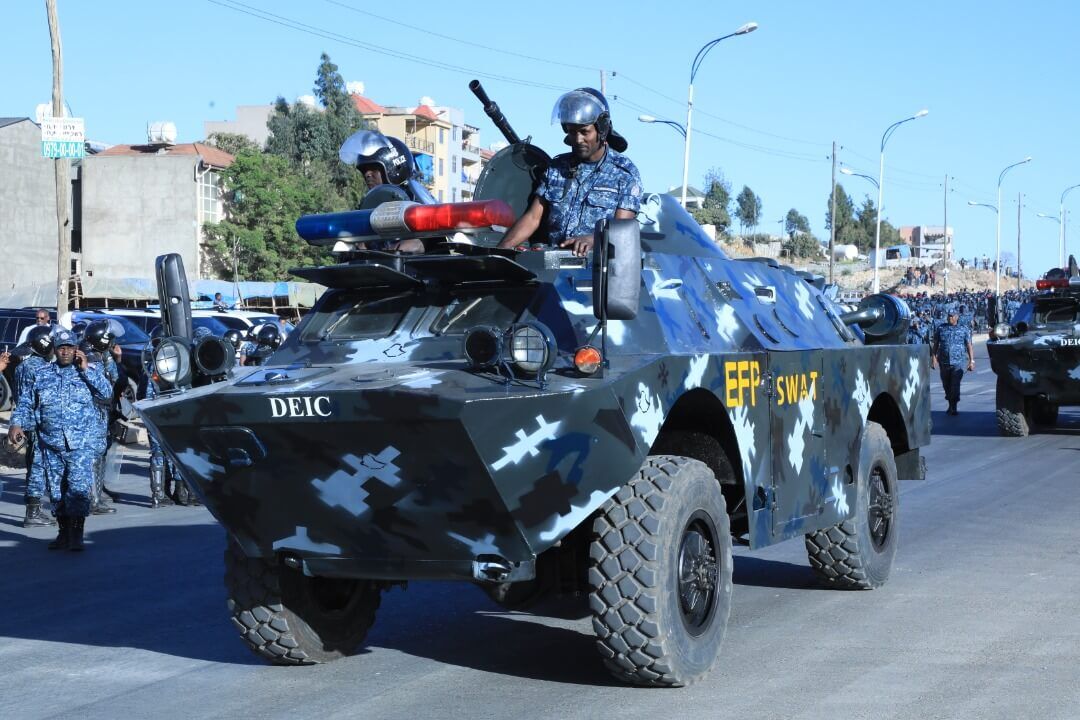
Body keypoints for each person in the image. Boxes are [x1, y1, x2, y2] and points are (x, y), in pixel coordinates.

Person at [498, 87, 642, 257]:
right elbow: (532, 218)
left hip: (597, 268)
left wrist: (594, 239)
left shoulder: (624, 173)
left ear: (602, 129)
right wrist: (499, 253)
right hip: (553, 263)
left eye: (584, 131)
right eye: (572, 132)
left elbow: (622, 230)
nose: (578, 139)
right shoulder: (557, 167)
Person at [8, 330, 112, 551]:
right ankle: (63, 532)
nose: (65, 351)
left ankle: (77, 534)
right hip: (51, 444)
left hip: (80, 444)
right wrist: (16, 424)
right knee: (56, 491)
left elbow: (106, 395)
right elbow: (26, 402)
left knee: (77, 489)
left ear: (76, 349)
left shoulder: (88, 372)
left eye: (69, 347)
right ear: (54, 349)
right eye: (61, 347)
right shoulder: (43, 374)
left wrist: (86, 370)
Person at [11, 327, 59, 527]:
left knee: (36, 467)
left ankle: (35, 510)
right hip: (39, 424)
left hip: (30, 423)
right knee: (38, 468)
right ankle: (33, 513)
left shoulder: (25, 366)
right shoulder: (39, 368)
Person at [931, 308, 975, 416]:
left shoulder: (964, 329)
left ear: (957, 317)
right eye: (948, 316)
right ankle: (950, 403)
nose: (950, 318)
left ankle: (953, 406)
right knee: (946, 385)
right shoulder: (941, 328)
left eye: (952, 316)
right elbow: (936, 344)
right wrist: (933, 358)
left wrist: (971, 361)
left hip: (958, 362)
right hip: (944, 362)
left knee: (954, 385)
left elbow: (969, 345)